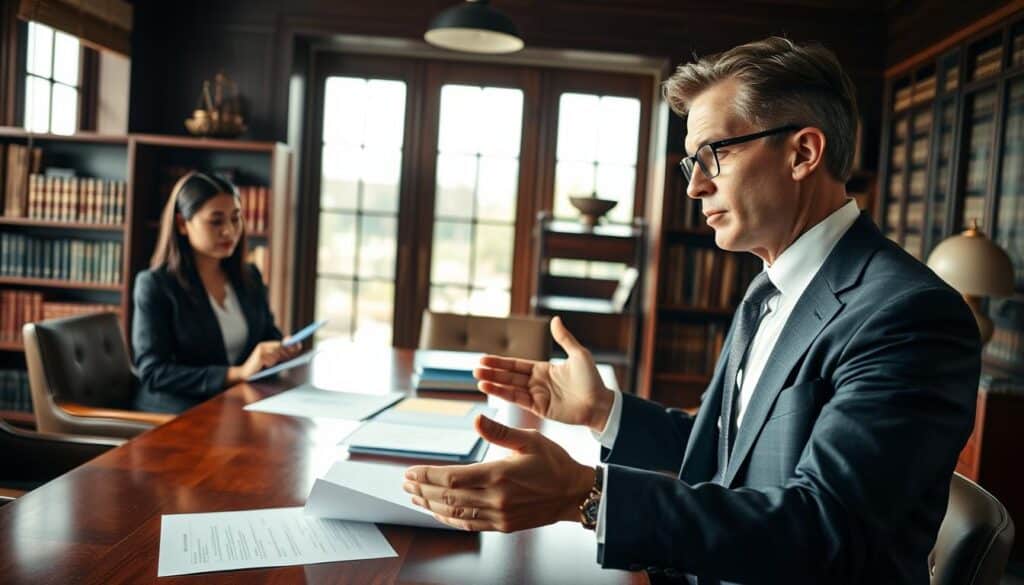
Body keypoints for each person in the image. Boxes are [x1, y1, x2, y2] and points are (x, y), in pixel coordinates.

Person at [401, 37, 981, 584]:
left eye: (711, 155)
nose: (694, 187)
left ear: (803, 152)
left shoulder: (910, 316)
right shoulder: (769, 289)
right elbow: (727, 458)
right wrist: (606, 412)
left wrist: (583, 494)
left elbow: (828, 530)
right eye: (690, 164)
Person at [132, 171, 301, 413]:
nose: (230, 232)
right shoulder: (155, 285)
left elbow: (267, 334)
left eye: (236, 219)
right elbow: (153, 372)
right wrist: (238, 373)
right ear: (182, 224)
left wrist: (281, 348)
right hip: (177, 412)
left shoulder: (249, 276)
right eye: (216, 221)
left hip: (235, 403)